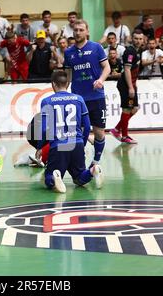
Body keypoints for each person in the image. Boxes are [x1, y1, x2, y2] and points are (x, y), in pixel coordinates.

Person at [64, 19, 111, 189]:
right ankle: (80, 168)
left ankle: (96, 162)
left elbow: (107, 68)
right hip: (78, 100)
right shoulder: (68, 52)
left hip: (96, 98)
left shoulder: (96, 48)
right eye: (75, 30)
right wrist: (63, 91)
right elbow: (68, 74)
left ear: (87, 31)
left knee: (99, 133)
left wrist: (100, 80)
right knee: (79, 135)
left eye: (81, 29)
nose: (77, 32)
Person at [37, 71, 98, 193]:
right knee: (80, 177)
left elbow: (44, 129)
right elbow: (86, 126)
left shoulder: (47, 101)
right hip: (77, 143)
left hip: (59, 146)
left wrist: (40, 147)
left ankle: (55, 177)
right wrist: (82, 143)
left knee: (47, 179)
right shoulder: (79, 99)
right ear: (68, 83)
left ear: (53, 84)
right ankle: (93, 171)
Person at [110, 30, 144, 145]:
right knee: (127, 109)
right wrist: (130, 87)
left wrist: (135, 84)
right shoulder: (130, 51)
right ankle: (124, 136)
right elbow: (127, 70)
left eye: (140, 39)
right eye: (136, 38)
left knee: (134, 108)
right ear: (132, 39)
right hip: (125, 84)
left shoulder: (138, 51)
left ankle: (116, 129)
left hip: (131, 83)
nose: (138, 41)